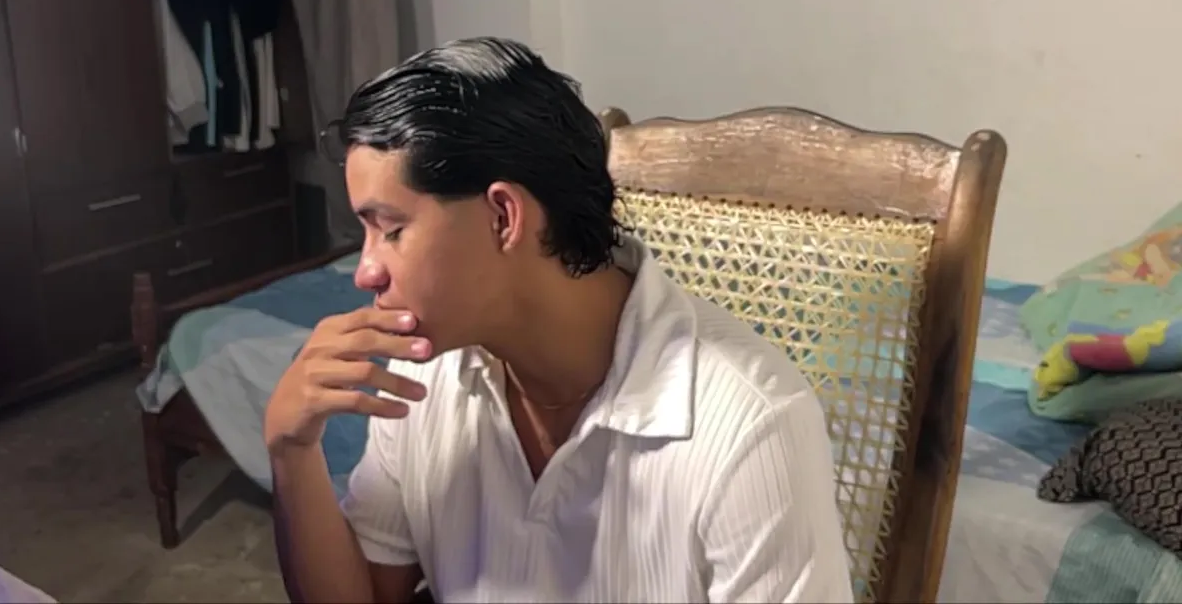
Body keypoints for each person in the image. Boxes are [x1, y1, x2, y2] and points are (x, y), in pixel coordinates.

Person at [263, 36, 854, 603]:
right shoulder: (423, 373)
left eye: (391, 229)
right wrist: (292, 451)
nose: (365, 272)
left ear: (503, 217)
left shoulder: (748, 426)